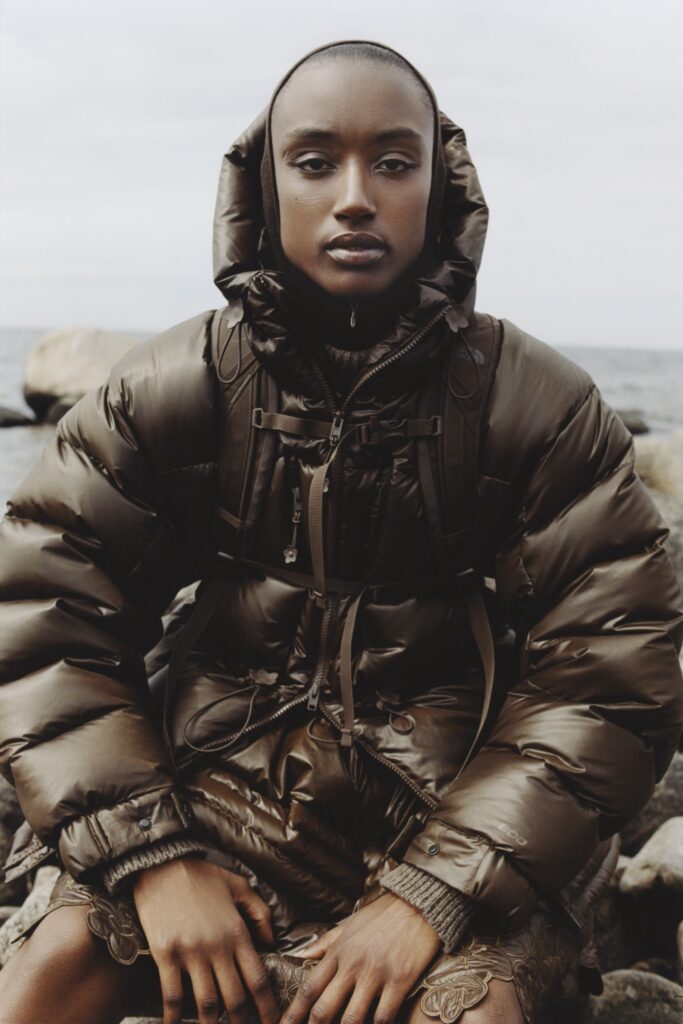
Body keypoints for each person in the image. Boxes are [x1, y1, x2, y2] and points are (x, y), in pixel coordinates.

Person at [0, 37, 681, 1024]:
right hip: (220, 778)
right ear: (264, 186)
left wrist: (433, 891)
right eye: (314, 161)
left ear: (439, 186)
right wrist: (153, 857)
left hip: (467, 801)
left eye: (393, 162)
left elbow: (611, 673)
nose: (354, 197)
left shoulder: (538, 403)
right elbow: (46, 617)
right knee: (55, 967)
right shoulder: (170, 388)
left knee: (471, 1014)